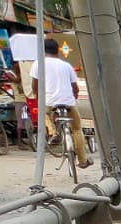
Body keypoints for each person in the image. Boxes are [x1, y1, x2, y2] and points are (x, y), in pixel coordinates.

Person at [38, 38, 87, 168]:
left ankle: (53, 133)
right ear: (57, 51)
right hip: (68, 101)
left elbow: (35, 86)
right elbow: (75, 88)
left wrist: (39, 98)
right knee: (76, 128)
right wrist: (73, 98)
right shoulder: (67, 66)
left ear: (43, 51)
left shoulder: (38, 64)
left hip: (50, 101)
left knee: (44, 114)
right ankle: (82, 160)